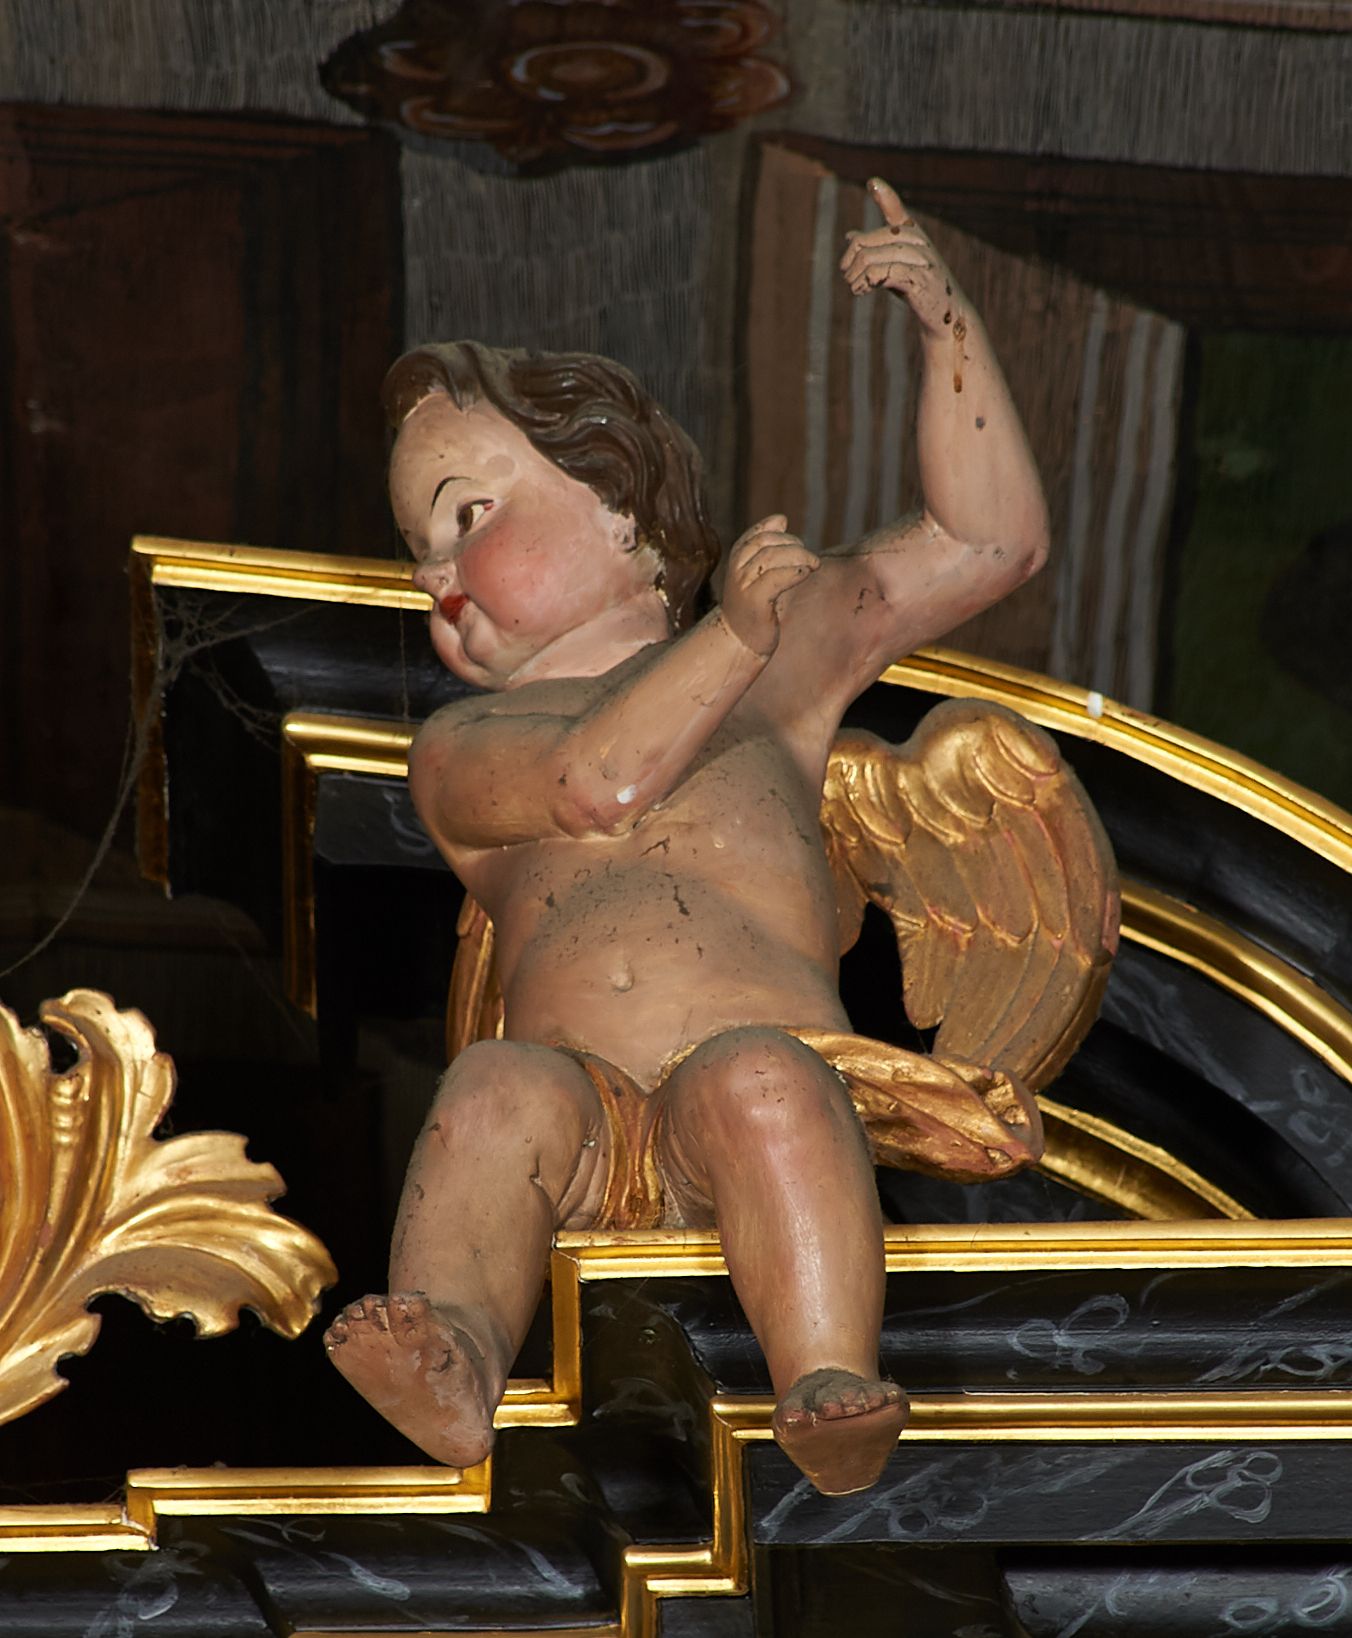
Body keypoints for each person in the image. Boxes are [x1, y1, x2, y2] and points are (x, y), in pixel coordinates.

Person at [324, 180, 1050, 1496]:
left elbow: (986, 540)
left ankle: (825, 1373)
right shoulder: (465, 746)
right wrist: (735, 636)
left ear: (615, 500)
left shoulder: (779, 679)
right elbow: (592, 784)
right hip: (581, 1114)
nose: (436, 577)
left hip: (764, 1073)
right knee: (493, 1089)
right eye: (420, 551)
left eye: (466, 517)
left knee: (766, 1082)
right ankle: (458, 1350)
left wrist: (947, 322)